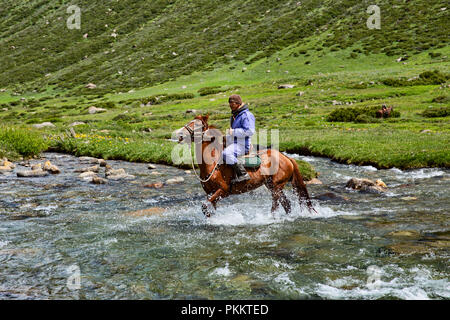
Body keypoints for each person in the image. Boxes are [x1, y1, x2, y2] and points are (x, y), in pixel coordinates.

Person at [223, 94, 255, 183]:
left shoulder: (246, 115)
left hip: (242, 145)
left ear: (238, 103)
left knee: (226, 153)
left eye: (231, 104)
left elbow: (249, 131)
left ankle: (243, 174)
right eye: (229, 103)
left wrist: (233, 132)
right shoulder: (235, 115)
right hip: (234, 143)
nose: (230, 106)